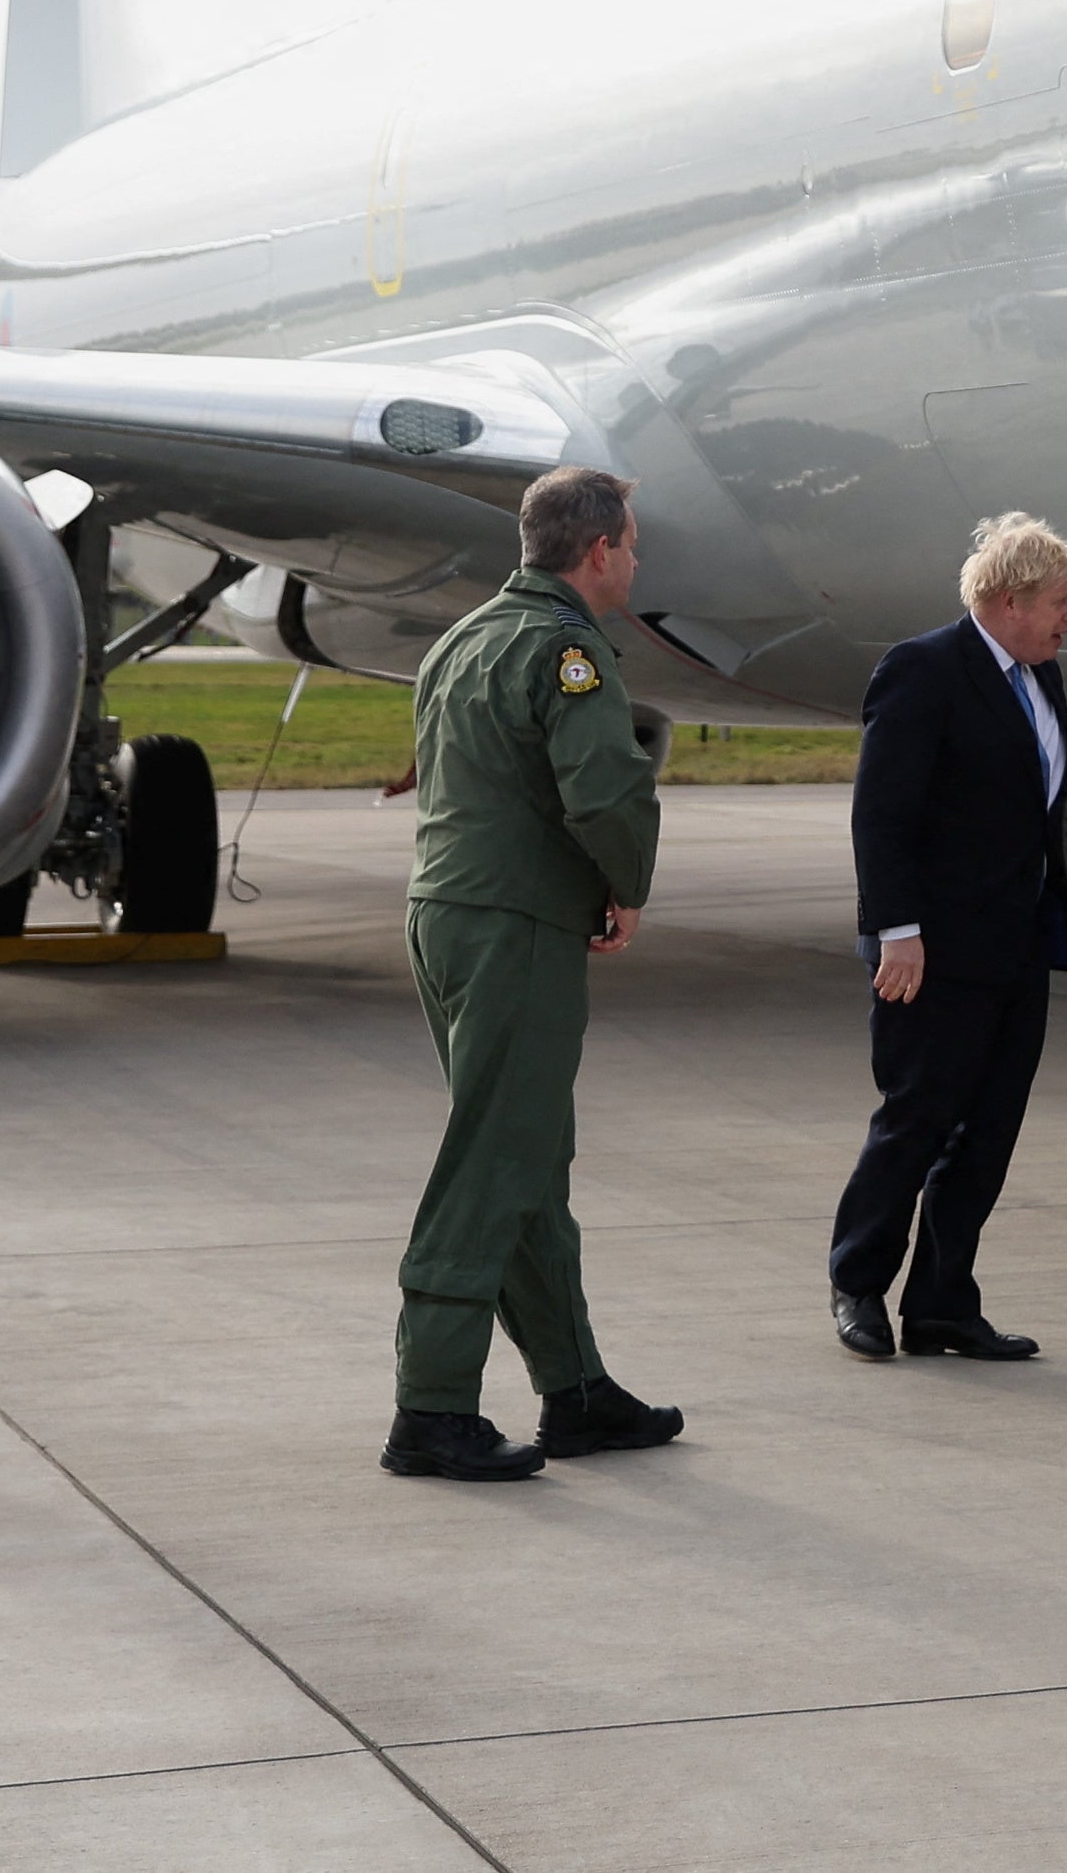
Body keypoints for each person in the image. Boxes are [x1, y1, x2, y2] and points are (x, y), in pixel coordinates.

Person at [382, 463, 681, 1482]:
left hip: (446, 913)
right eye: (631, 544)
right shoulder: (567, 650)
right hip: (513, 924)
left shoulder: (462, 638)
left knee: (526, 1157)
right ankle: (431, 1404)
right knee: (494, 1158)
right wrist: (625, 884)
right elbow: (604, 789)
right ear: (597, 551)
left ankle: (575, 1388)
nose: (634, 559)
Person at [827, 512, 1067, 1360]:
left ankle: (942, 1302)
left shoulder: (1039, 675)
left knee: (989, 1133)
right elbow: (883, 813)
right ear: (1008, 599)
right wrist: (896, 931)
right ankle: (858, 1281)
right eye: (1059, 601)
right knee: (918, 1120)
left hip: (1017, 946)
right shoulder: (925, 669)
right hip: (931, 951)